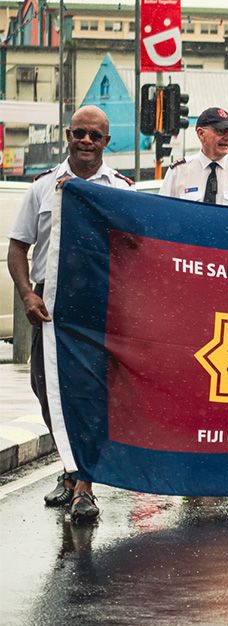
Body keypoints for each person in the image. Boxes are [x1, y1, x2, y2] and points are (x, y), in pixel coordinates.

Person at [9, 106, 135, 524]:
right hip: (50, 305)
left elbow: (136, 252)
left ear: (106, 142)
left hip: (99, 305)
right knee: (48, 391)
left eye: (94, 136)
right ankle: (69, 469)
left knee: (92, 394)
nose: (86, 141)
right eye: (79, 133)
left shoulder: (122, 190)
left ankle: (84, 486)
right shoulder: (42, 187)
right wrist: (27, 294)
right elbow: (17, 248)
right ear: (67, 134)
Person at [160, 107, 228, 208]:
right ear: (201, 133)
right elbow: (163, 213)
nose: (227, 137)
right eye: (220, 131)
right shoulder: (179, 171)